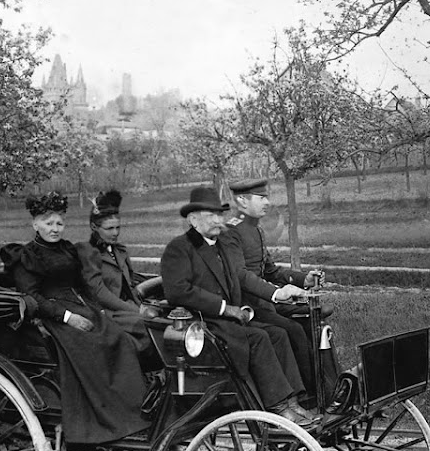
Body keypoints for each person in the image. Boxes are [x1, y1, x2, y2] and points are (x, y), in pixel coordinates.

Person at [160, 186, 317, 426]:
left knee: (277, 334)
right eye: (210, 215)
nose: (217, 220)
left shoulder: (219, 245)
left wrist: (243, 308)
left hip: (227, 319)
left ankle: (292, 402)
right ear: (193, 220)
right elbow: (179, 291)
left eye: (219, 215)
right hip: (204, 324)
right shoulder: (179, 248)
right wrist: (226, 308)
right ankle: (276, 407)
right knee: (259, 338)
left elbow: (237, 279)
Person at [1, 192, 148, 445]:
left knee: (118, 338)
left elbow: (83, 287)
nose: (54, 229)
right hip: (52, 316)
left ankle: (129, 413)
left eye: (59, 223)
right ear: (35, 224)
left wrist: (98, 311)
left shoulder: (68, 250)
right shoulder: (26, 256)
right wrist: (68, 318)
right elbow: (33, 297)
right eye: (48, 223)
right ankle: (98, 422)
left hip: (81, 308)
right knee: (94, 346)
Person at [221, 178, 335, 408]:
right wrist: (276, 293)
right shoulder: (230, 233)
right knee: (291, 329)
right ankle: (305, 398)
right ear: (242, 201)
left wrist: (304, 279)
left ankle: (330, 389)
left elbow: (270, 270)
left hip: (264, 303)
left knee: (314, 323)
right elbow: (241, 276)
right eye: (261, 198)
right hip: (247, 307)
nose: (267, 202)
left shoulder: (256, 230)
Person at [75, 189, 160, 368]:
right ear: (94, 227)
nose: (115, 233)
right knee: (148, 329)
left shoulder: (119, 250)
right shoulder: (88, 252)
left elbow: (131, 281)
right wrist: (134, 310)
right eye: (109, 228)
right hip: (107, 311)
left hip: (130, 305)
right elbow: (99, 292)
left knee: (163, 322)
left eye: (118, 227)